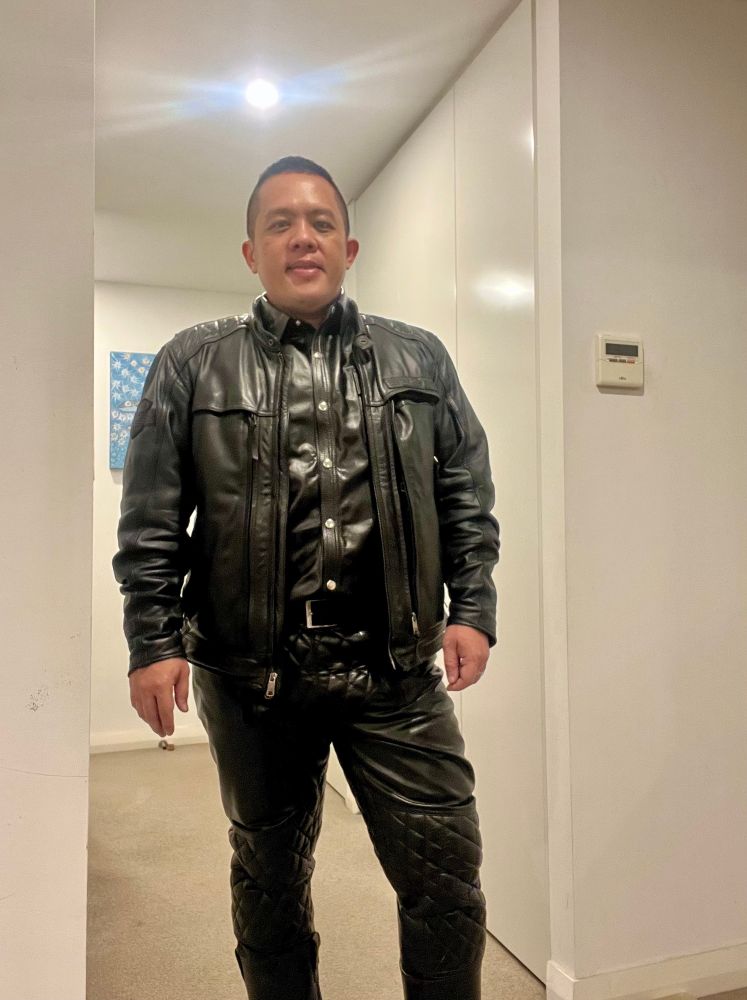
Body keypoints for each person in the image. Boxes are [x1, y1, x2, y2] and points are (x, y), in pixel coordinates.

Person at [113, 155, 500, 1000]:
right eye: (280, 224)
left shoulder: (419, 359)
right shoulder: (191, 363)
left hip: (396, 674)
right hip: (253, 679)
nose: (302, 238)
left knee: (446, 880)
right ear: (250, 252)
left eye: (321, 223)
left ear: (348, 248)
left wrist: (473, 606)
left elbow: (466, 493)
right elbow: (150, 520)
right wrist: (152, 642)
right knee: (270, 881)